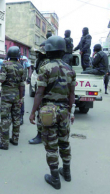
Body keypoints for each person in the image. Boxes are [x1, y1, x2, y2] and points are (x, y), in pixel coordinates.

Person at [29, 36, 76, 190]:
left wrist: (32, 112)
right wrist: (71, 111)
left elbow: (39, 93)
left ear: (48, 50)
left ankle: (55, 178)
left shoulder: (45, 68)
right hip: (64, 111)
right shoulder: (70, 69)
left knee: (51, 146)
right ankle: (67, 173)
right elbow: (71, 94)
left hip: (48, 111)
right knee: (64, 142)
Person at [0, 46, 25, 150]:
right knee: (16, 118)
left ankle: (4, 143)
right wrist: (21, 98)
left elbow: (1, 80)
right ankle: (15, 139)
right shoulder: (21, 67)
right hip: (16, 95)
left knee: (5, 119)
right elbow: (22, 84)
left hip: (6, 96)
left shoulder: (5, 65)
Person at [29, 42, 50, 145]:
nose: (38, 55)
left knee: (41, 114)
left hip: (44, 93)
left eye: (40, 53)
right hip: (48, 93)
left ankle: (40, 136)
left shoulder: (44, 63)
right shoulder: (43, 62)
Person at [19, 55, 31, 125]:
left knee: (21, 99)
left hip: (21, 82)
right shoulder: (9, 57)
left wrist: (29, 78)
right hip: (12, 84)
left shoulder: (24, 58)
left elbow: (29, 68)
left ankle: (21, 116)